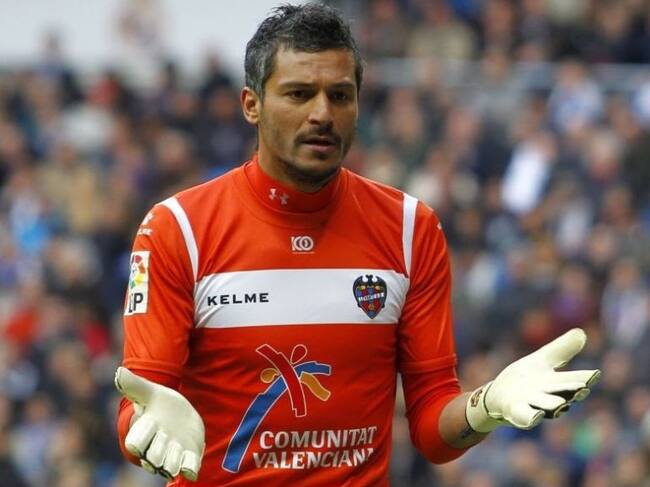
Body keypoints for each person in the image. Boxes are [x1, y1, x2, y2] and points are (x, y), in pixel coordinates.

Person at [114, 4, 601, 486]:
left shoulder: (410, 228)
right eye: (299, 94)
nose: (322, 114)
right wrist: (145, 423)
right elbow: (139, 408)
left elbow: (432, 429)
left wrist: (486, 405)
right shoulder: (177, 229)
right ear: (251, 104)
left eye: (340, 96)